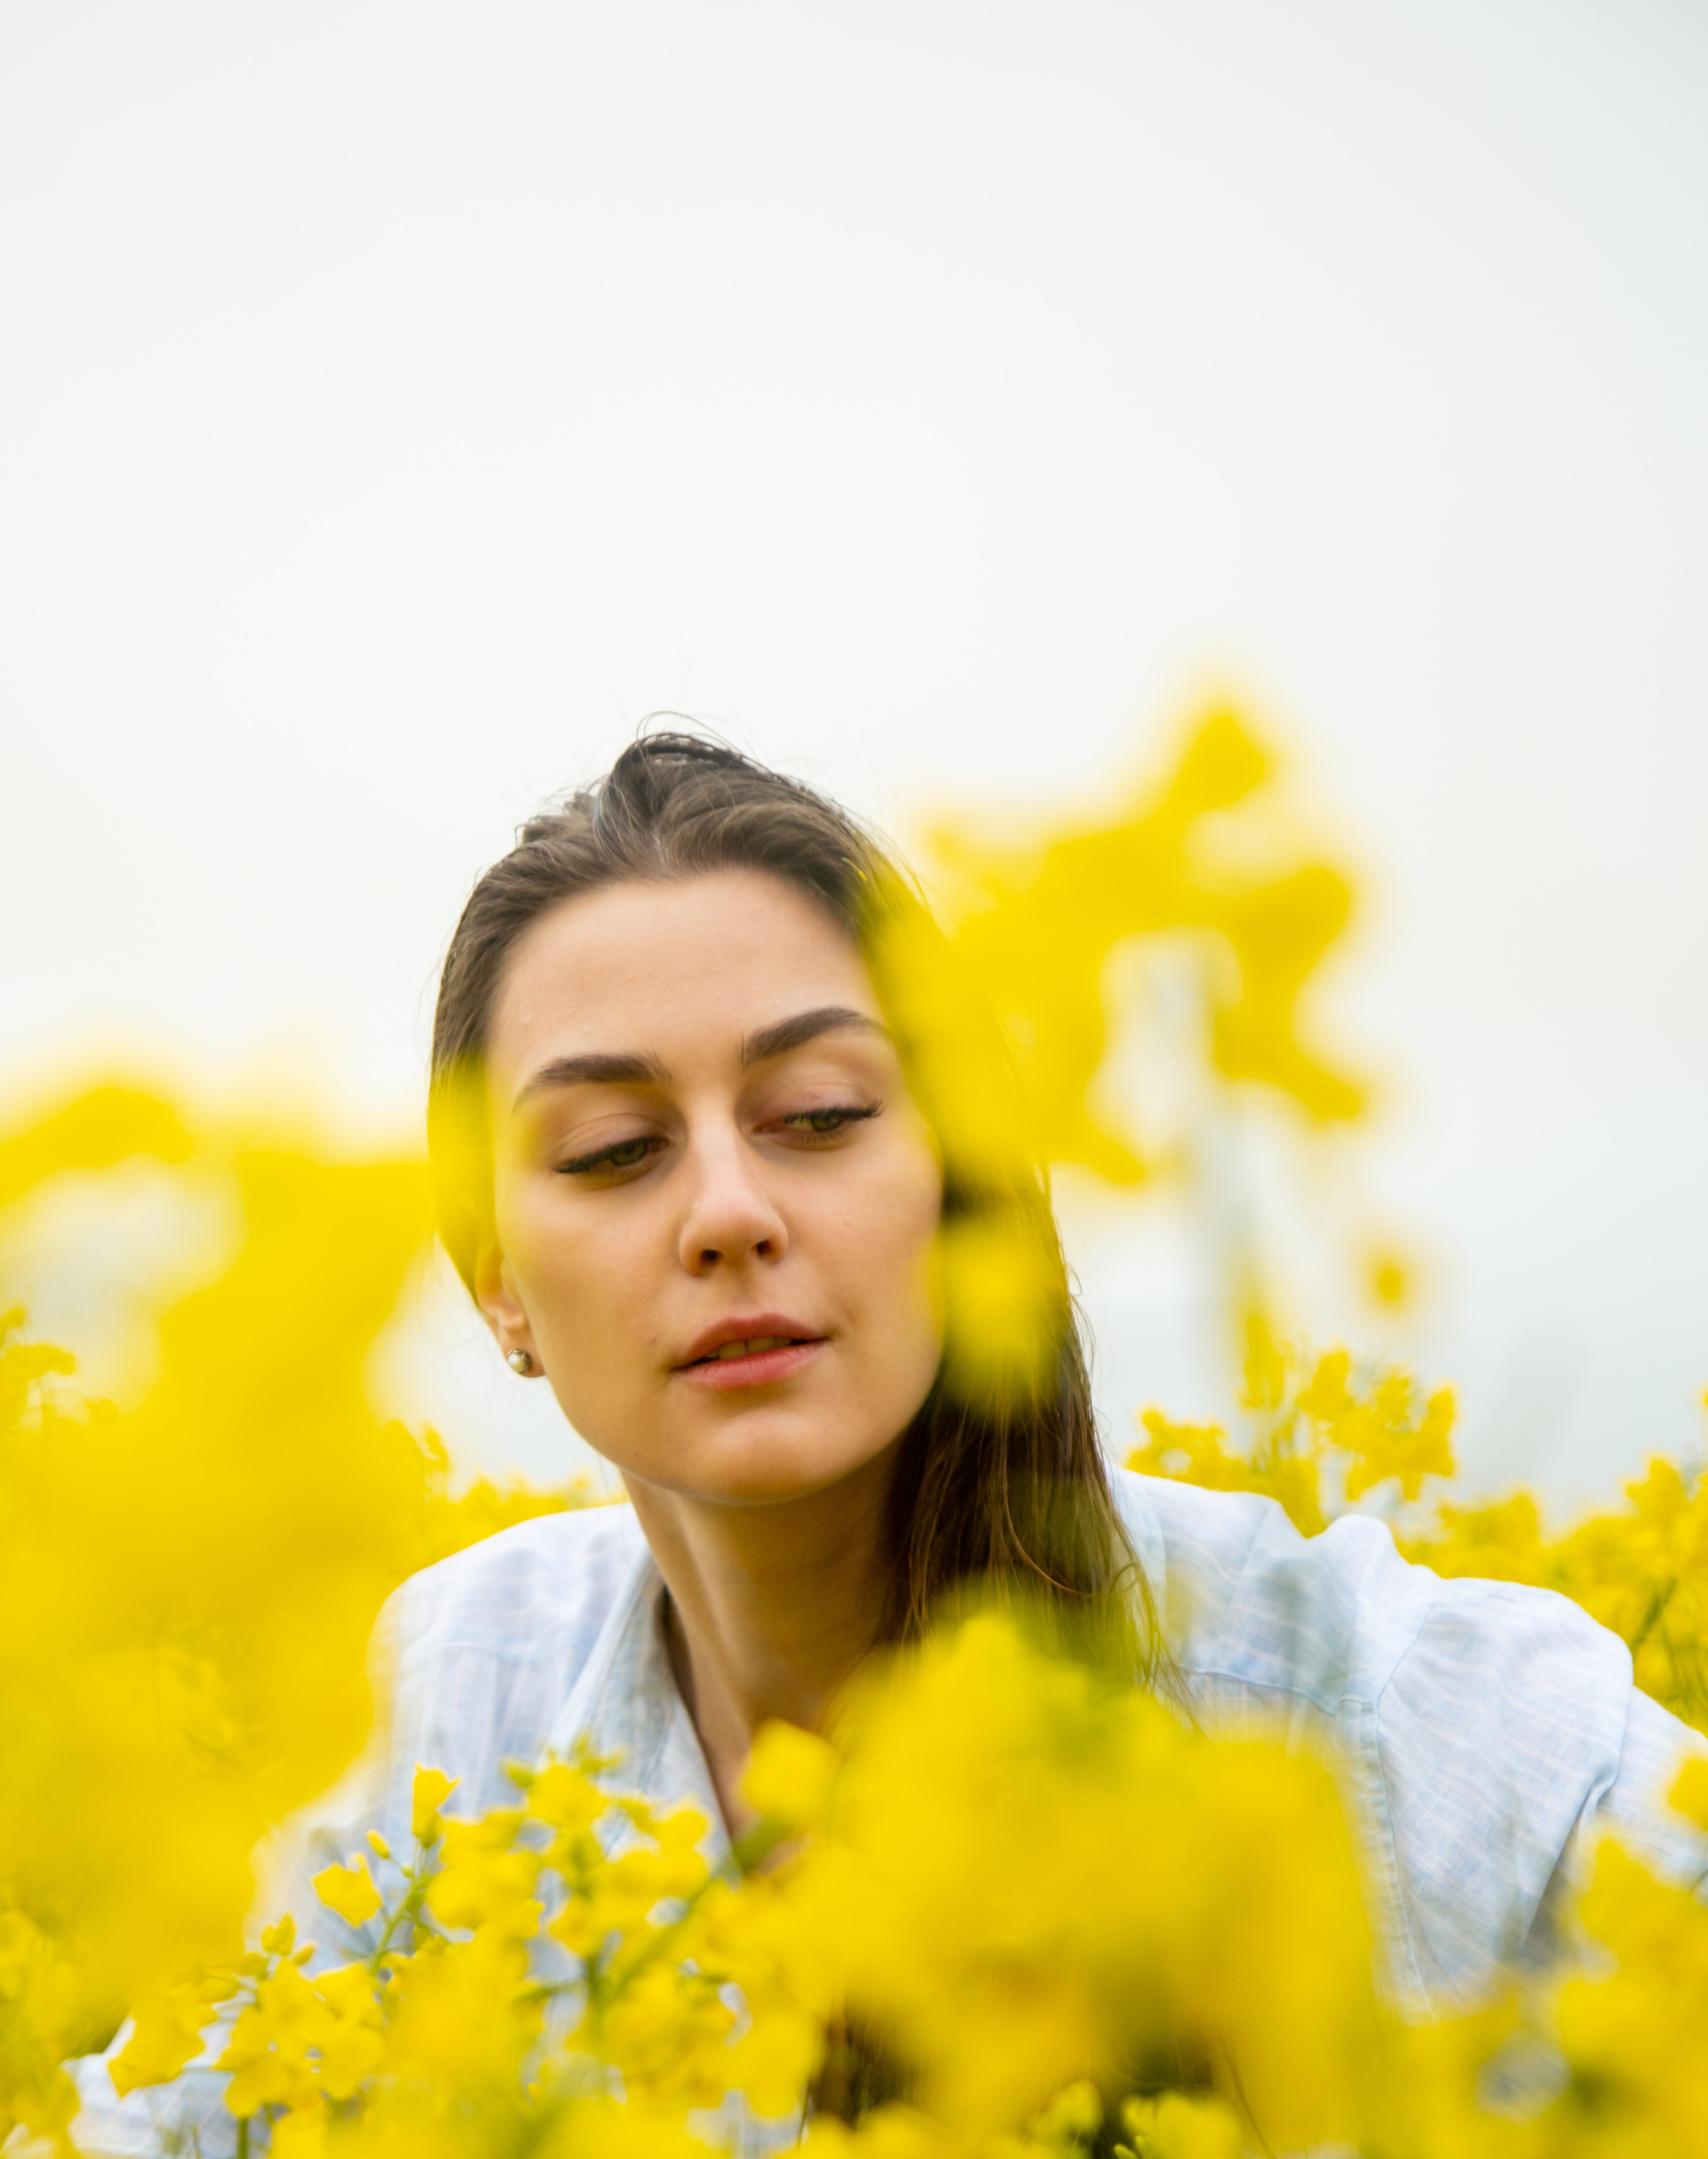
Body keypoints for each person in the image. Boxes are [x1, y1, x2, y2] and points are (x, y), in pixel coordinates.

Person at [305, 731, 1703, 2027]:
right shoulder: (452, 1710)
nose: (727, 1211)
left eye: (820, 1115)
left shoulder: (1351, 1708)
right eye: (613, 1147)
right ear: (496, 1278)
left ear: (965, 1186)